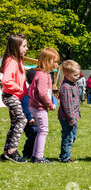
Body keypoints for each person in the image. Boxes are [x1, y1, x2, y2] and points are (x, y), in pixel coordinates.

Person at [28, 48, 60, 163]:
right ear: (47, 61)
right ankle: (39, 157)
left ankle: (35, 156)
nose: (57, 64)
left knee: (41, 131)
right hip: (39, 107)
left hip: (36, 106)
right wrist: (50, 104)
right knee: (44, 131)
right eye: (55, 61)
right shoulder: (42, 75)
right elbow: (42, 93)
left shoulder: (44, 74)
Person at [1, 34, 29, 163]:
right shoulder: (12, 61)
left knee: (14, 123)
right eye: (24, 46)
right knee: (21, 120)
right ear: (15, 47)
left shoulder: (18, 60)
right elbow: (6, 80)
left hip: (14, 96)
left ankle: (6, 152)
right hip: (10, 95)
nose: (26, 48)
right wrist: (18, 88)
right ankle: (12, 150)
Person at [58, 60, 81, 163]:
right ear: (67, 75)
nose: (78, 76)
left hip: (73, 117)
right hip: (67, 118)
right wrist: (71, 119)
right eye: (75, 75)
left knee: (73, 136)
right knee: (68, 137)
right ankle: (65, 157)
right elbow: (68, 106)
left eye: (78, 74)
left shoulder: (74, 84)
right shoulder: (66, 88)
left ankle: (66, 155)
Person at [21, 68, 37, 159]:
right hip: (30, 119)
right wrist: (29, 117)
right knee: (32, 136)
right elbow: (25, 105)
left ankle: (33, 153)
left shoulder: (34, 90)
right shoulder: (28, 91)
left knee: (36, 135)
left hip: (36, 117)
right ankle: (26, 153)